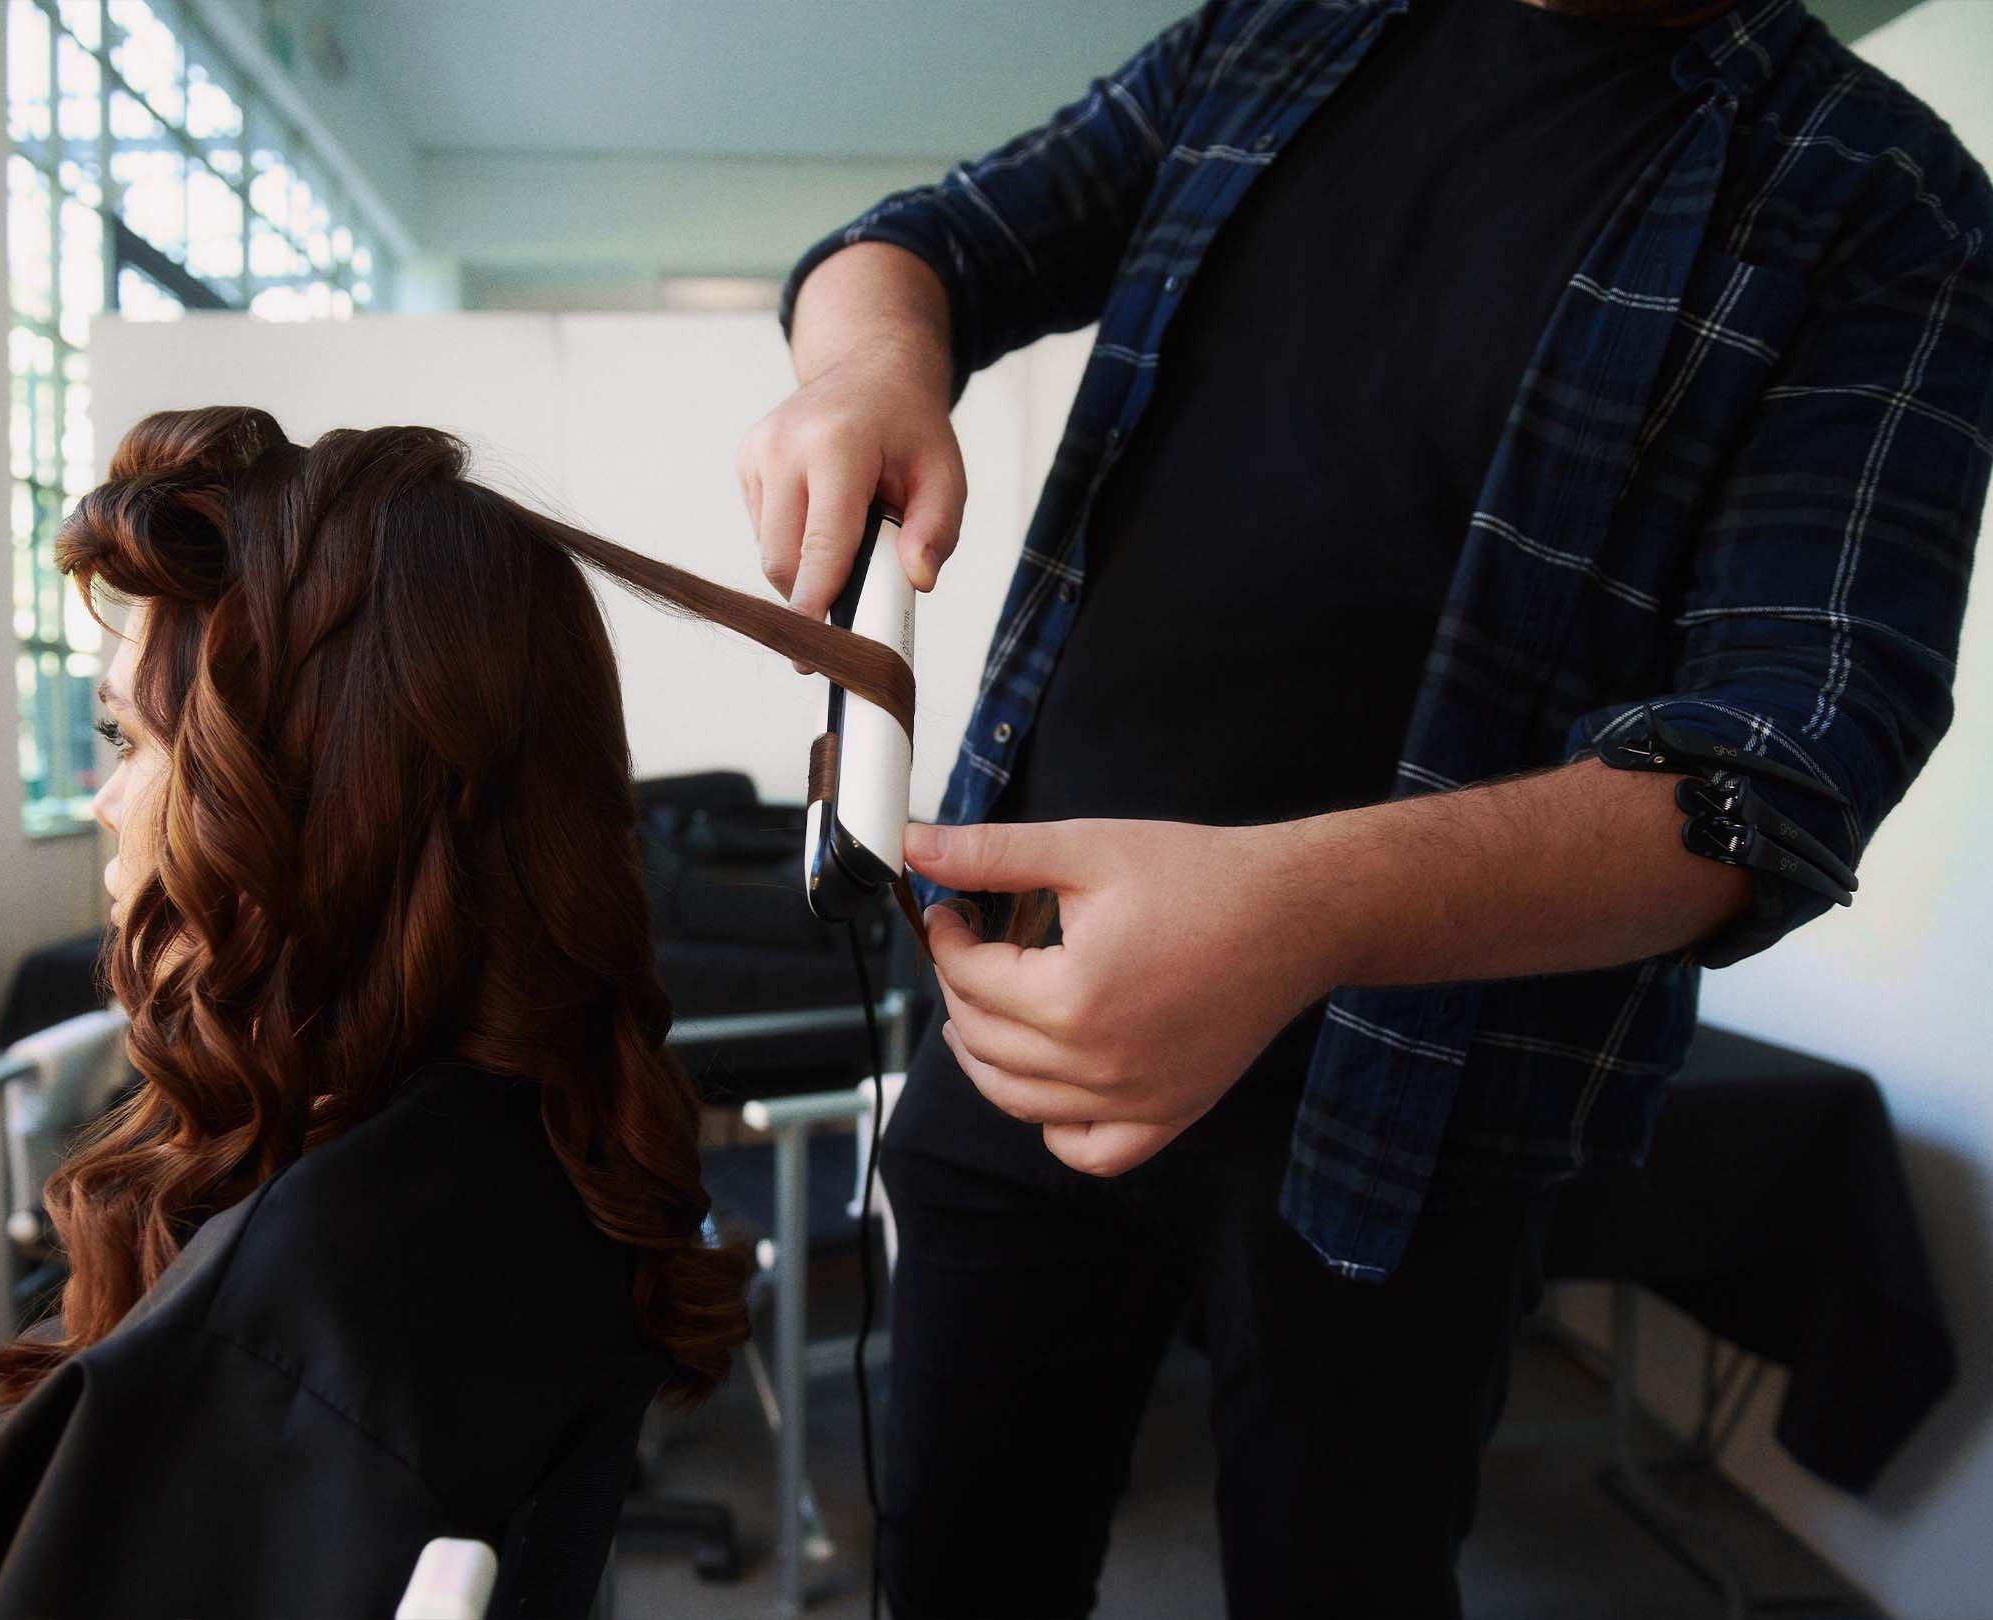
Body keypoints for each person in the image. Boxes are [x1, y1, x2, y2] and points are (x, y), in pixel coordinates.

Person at [738, 0, 1992, 1614]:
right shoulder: (1278, 32)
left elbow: (1780, 768)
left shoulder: (1878, 201)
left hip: (1419, 1121)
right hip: (1014, 1015)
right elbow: (912, 249)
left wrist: (1294, 916)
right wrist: (865, 374)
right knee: (959, 1564)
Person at [0, 406, 913, 1619]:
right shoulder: (535, 1144)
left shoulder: (294, 1317)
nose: (106, 802)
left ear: (324, 796)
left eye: (128, 738)